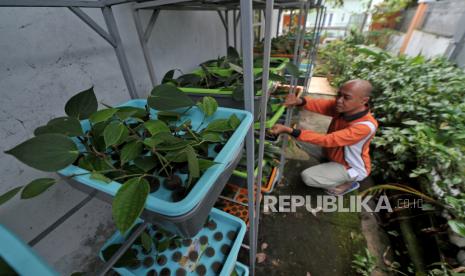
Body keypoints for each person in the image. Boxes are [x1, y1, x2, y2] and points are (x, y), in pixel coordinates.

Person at [269, 79, 378, 195]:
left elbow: (328, 140)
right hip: (334, 153)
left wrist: (289, 130)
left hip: (350, 167)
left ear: (364, 101)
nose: (339, 100)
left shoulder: (365, 126)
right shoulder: (346, 108)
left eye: (346, 97)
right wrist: (299, 101)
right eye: (338, 95)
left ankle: (348, 183)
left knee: (308, 177)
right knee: (302, 141)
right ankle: (329, 165)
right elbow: (323, 105)